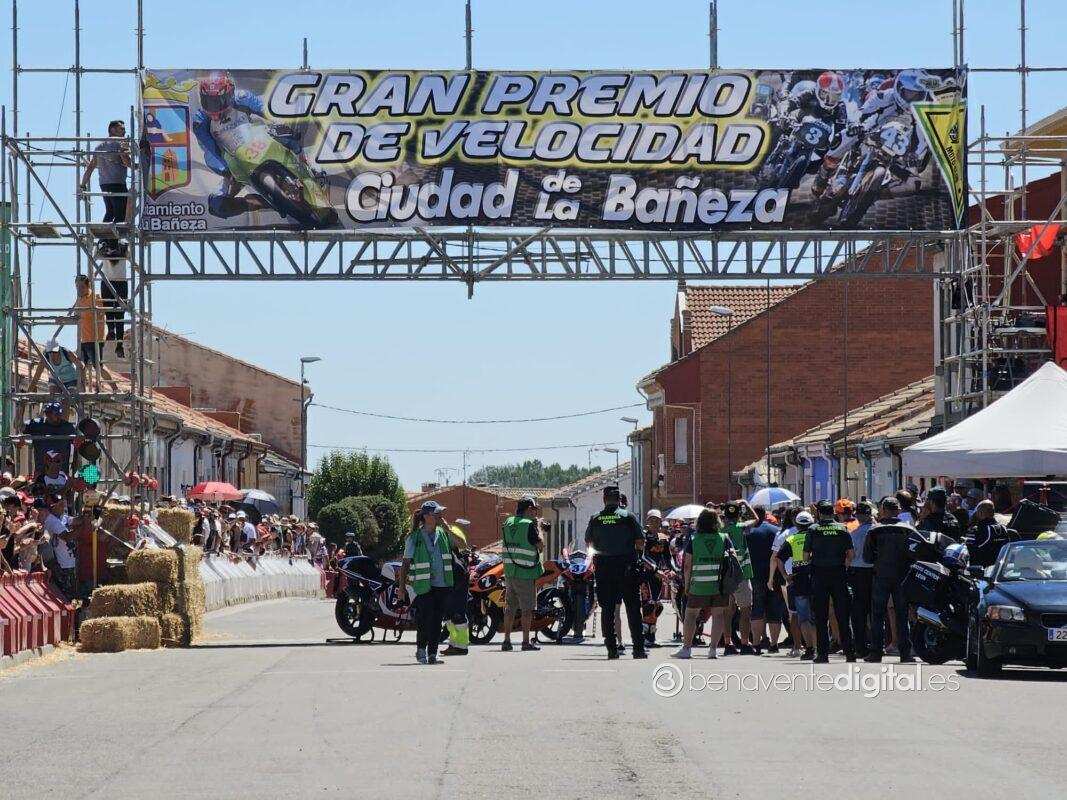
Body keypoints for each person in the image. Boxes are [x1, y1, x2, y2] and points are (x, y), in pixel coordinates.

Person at [584, 485, 646, 659]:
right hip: (627, 568)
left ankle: (611, 649)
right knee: (633, 609)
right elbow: (640, 541)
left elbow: (588, 542)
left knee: (607, 610)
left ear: (604, 499)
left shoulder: (596, 518)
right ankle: (638, 649)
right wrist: (636, 555)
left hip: (604, 569)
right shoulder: (628, 517)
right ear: (619, 500)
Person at [395, 501, 456, 664]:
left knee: (437, 620)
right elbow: (405, 563)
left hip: (443, 584)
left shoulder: (443, 533)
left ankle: (433, 653)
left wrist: (449, 529)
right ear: (428, 516)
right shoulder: (414, 537)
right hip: (423, 585)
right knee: (425, 618)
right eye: (437, 513)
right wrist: (401, 588)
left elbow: (460, 545)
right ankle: (421, 649)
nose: (440, 516)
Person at [672, 508, 733, 659]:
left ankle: (687, 648)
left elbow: (687, 565)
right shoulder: (724, 538)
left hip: (698, 585)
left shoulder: (694, 539)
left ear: (699, 522)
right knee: (718, 615)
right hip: (719, 585)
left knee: (691, 614)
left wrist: (687, 585)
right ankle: (713, 650)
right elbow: (732, 559)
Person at [863, 496, 915, 663]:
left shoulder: (874, 530)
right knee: (902, 615)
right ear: (898, 510)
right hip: (902, 576)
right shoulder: (908, 529)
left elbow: (867, 557)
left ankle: (876, 652)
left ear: (884, 510)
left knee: (878, 615)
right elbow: (915, 554)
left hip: (881, 576)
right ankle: (905, 653)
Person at [804, 500, 855, 663]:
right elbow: (851, 554)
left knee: (821, 617)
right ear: (833, 513)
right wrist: (843, 566)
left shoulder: (813, 529)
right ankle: (850, 653)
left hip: (819, 575)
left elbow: (805, 556)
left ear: (819, 513)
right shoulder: (842, 528)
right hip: (839, 575)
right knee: (842, 616)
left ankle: (823, 654)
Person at [79, 120, 131, 256]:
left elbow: (91, 167)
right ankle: (112, 245)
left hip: (104, 184)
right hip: (118, 183)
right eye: (121, 129)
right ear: (112, 130)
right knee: (120, 214)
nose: (124, 132)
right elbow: (127, 162)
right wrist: (128, 154)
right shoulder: (119, 144)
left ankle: (103, 241)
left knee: (110, 212)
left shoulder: (99, 146)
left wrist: (82, 184)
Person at [501, 496, 544, 652]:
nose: (535, 513)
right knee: (527, 609)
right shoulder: (529, 524)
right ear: (528, 509)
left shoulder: (508, 522)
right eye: (534, 510)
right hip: (525, 572)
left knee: (510, 608)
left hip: (509, 572)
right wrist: (539, 527)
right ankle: (526, 642)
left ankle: (506, 641)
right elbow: (541, 546)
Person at [746, 505, 783, 654]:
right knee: (774, 610)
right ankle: (774, 644)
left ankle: (756, 644)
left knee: (757, 609)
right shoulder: (776, 530)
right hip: (774, 575)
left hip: (754, 574)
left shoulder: (748, 531)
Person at [721, 502, 755, 655]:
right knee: (745, 610)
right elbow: (756, 519)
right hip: (742, 575)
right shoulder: (741, 527)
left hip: (725, 576)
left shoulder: (721, 531)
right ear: (738, 515)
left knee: (727, 612)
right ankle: (745, 643)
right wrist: (746, 504)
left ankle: (727, 643)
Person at [848, 500, 876, 658]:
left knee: (859, 612)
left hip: (858, 572)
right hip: (874, 572)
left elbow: (850, 555)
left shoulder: (854, 534)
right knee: (875, 610)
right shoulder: (877, 530)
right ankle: (876, 644)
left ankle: (860, 646)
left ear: (858, 516)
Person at [441, 518, 472, 657]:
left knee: (458, 613)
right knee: (449, 615)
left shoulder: (452, 530)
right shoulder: (434, 532)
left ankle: (462, 646)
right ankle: (454, 644)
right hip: (447, 578)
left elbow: (463, 544)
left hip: (458, 577)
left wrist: (447, 529)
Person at [23, 401, 77, 475]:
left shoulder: (67, 427)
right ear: (47, 414)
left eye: (59, 414)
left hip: (61, 472)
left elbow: (78, 441)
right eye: (54, 414)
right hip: (41, 471)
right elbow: (20, 427)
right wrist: (21, 409)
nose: (57, 417)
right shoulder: (36, 424)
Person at [41, 494, 76, 597]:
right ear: (53, 506)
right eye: (60, 505)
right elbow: (66, 537)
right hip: (60, 564)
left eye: (63, 505)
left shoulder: (61, 517)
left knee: (71, 593)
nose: (63, 507)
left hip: (68, 562)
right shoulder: (52, 520)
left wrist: (87, 516)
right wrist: (82, 527)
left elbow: (75, 520)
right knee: (65, 594)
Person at [74, 275, 107, 376]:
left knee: (98, 366)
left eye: (82, 287)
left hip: (95, 338)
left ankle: (113, 385)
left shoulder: (95, 298)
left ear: (88, 286)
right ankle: (82, 385)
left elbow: (101, 314)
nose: (79, 289)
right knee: (80, 365)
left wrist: (94, 310)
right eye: (77, 287)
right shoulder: (79, 300)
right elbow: (76, 317)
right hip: (84, 339)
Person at [964, 500, 1012, 568]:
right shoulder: (1003, 528)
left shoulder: (978, 529)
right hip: (1000, 567)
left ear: (980, 513)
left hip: (980, 568)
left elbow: (969, 548)